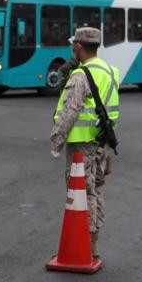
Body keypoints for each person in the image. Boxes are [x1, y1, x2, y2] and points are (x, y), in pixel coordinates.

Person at [50, 26, 120, 260]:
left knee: (82, 193)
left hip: (81, 145)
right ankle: (93, 244)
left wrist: (57, 140)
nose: (72, 48)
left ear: (78, 46)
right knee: (96, 189)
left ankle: (84, 245)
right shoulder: (110, 71)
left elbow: (70, 111)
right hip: (101, 143)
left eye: (74, 45)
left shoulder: (81, 76)